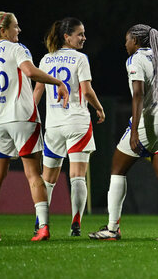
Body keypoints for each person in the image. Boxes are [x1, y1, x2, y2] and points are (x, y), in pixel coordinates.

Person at [0, 11, 69, 241]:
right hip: (23, 118)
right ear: (2, 31)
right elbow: (29, 71)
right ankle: (43, 228)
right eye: (16, 26)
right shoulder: (17, 48)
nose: (19, 30)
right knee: (34, 175)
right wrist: (58, 81)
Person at [89, 24, 158, 241]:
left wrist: (134, 132)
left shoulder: (135, 60)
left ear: (136, 42)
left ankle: (112, 228)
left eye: (127, 40)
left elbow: (138, 94)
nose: (125, 44)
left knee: (117, 169)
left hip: (150, 123)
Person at [33, 17, 105, 236]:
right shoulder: (80, 59)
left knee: (48, 178)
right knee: (77, 176)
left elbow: (37, 92)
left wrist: (29, 116)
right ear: (67, 36)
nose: (84, 38)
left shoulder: (46, 59)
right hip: (77, 122)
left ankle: (41, 222)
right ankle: (76, 222)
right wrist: (100, 108)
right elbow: (87, 91)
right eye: (80, 34)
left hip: (53, 125)